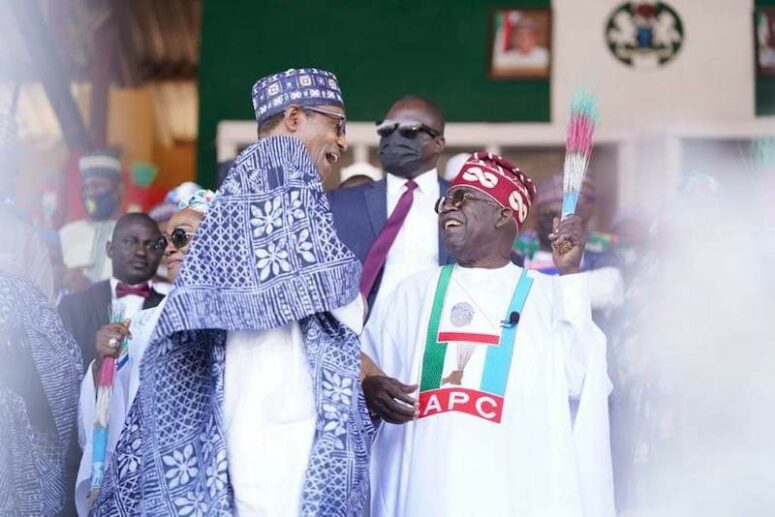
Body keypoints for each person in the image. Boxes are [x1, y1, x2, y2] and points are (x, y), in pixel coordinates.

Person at [92, 68, 373, 516]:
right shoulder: (280, 170)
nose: (341, 141)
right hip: (276, 439)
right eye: (337, 124)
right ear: (295, 117)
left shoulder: (237, 194)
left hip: (250, 422)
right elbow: (334, 294)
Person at [362, 153, 614, 516]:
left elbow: (582, 380)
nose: (448, 207)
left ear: (503, 214)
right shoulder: (412, 293)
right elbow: (364, 366)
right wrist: (370, 388)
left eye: (462, 198)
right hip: (422, 492)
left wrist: (571, 276)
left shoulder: (547, 295)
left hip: (514, 493)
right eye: (445, 200)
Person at [74, 190, 215, 516]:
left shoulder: (243, 324)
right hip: (144, 487)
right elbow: (109, 410)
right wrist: (101, 365)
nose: (168, 249)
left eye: (181, 237)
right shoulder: (139, 324)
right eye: (167, 239)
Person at [328, 95, 452, 311]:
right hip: (364, 338)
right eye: (386, 130)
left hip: (437, 336)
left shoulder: (463, 204)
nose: (394, 138)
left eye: (409, 131)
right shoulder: (341, 203)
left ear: (438, 143)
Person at [58, 213, 166, 371]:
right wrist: (94, 353)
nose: (141, 252)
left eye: (150, 246)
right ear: (109, 249)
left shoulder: (168, 309)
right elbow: (58, 370)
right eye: (130, 242)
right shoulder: (73, 306)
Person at [521, 173, 624, 316]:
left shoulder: (600, 257)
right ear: (535, 216)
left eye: (562, 215)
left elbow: (605, 292)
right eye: (548, 214)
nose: (554, 221)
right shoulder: (516, 255)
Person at [59, 150, 124, 292]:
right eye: (85, 187)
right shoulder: (66, 234)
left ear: (118, 189)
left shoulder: (132, 235)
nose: (90, 193)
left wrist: (90, 289)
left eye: (98, 185)